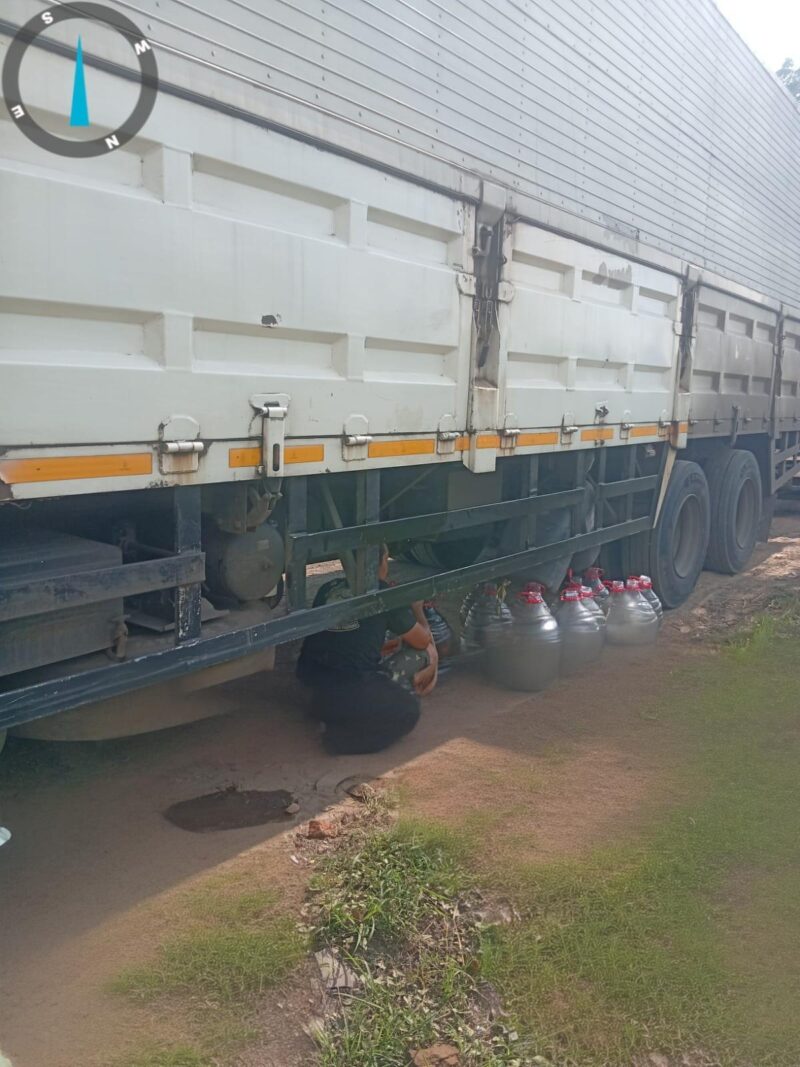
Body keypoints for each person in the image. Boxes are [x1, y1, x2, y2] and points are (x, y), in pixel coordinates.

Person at [296, 545, 438, 754]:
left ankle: (332, 713)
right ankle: (339, 739)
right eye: (386, 558)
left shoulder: (327, 588)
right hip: (348, 694)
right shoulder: (384, 594)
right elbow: (422, 641)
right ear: (380, 563)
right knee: (409, 710)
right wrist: (418, 611)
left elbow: (347, 637)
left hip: (310, 687)